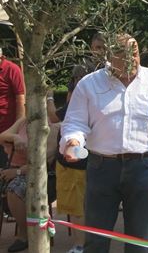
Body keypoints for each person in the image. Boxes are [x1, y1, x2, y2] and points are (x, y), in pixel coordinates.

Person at [60, 33, 148, 252]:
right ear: (109, 55)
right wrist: (73, 141)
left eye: (135, 53)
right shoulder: (89, 84)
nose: (131, 59)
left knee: (140, 241)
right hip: (101, 167)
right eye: (124, 54)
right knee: (96, 240)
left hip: (143, 167)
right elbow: (75, 122)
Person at [48, 65, 92, 253]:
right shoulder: (91, 95)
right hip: (82, 158)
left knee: (77, 207)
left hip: (77, 162)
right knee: (81, 206)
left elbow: (54, 116)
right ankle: (82, 243)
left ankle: (80, 245)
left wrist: (49, 96)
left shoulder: (79, 99)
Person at [0, 118, 60, 253]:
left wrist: (17, 172)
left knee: (14, 188)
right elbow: (2, 136)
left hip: (40, 176)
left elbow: (41, 162)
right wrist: (15, 137)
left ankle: (25, 235)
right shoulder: (23, 121)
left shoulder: (51, 129)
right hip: (13, 168)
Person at [0, 48, 25, 168]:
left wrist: (18, 126)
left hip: (5, 126)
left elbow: (20, 98)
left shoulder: (12, 69)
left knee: (4, 163)